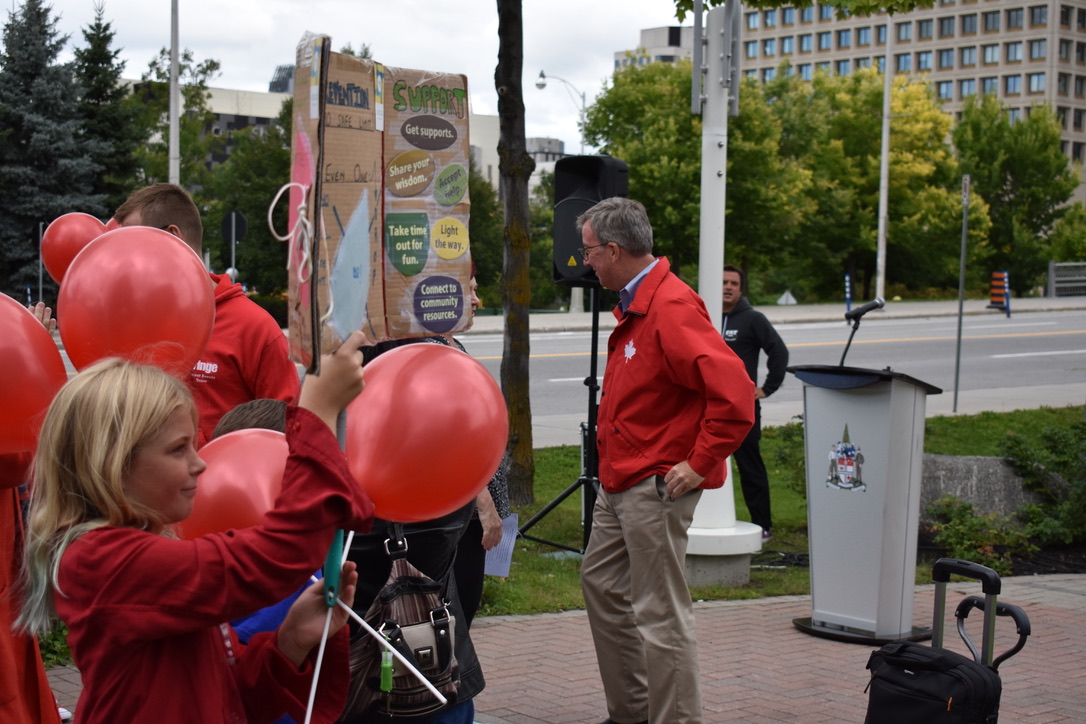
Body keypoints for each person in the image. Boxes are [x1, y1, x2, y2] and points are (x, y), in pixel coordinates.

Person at [15, 331, 375, 724]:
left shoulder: (135, 555)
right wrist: (317, 411)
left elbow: (228, 695)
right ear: (114, 465)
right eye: (177, 448)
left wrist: (290, 642)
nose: (200, 463)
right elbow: (270, 558)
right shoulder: (103, 561)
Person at [578, 198, 755, 724]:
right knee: (602, 585)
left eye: (589, 251)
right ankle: (631, 713)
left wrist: (698, 464)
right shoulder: (640, 302)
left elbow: (737, 396)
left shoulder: (671, 306)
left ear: (613, 249)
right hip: (621, 481)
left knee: (660, 611)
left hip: (654, 485)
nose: (585, 261)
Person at [114, 183, 300, 445]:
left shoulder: (253, 327)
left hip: (226, 483)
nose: (125, 259)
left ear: (173, 237)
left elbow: (288, 431)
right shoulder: (141, 321)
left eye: (133, 244)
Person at [721, 264, 789, 541]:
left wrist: (767, 389)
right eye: (723, 282)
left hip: (742, 407)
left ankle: (762, 525)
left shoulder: (752, 319)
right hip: (706, 407)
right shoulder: (705, 316)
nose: (727, 287)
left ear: (740, 289)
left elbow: (779, 353)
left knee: (750, 466)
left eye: (733, 283)